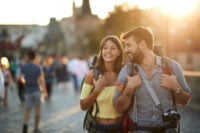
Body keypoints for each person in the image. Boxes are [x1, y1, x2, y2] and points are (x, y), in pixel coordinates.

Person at [113, 27, 192, 133]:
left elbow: (185, 100)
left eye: (128, 45)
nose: (125, 50)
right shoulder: (127, 71)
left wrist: (176, 87)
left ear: (142, 45)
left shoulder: (172, 67)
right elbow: (118, 108)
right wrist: (129, 88)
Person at [80, 35, 124, 133]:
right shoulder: (91, 75)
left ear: (119, 52)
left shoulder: (124, 73)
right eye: (105, 48)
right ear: (101, 51)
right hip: (99, 128)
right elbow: (83, 106)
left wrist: (125, 91)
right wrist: (97, 90)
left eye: (113, 48)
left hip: (121, 128)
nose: (108, 51)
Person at [19, 51, 48, 133]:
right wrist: (45, 91)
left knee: (27, 110)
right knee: (38, 109)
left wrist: (24, 82)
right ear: (35, 58)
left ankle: (25, 126)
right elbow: (41, 80)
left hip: (28, 90)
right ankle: (36, 128)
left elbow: (19, 78)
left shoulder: (23, 67)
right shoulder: (38, 67)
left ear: (28, 57)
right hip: (36, 90)